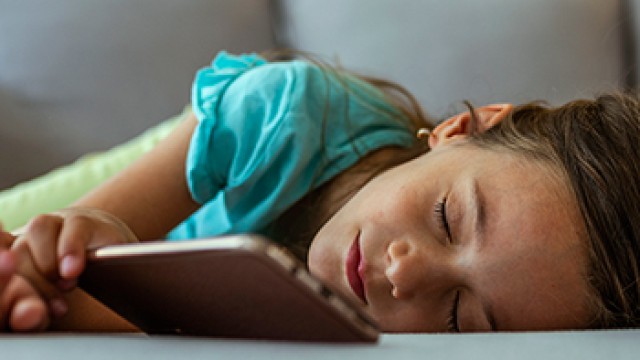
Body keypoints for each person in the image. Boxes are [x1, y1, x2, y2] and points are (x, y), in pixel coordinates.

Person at [0, 51, 638, 333]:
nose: (405, 273)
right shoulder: (285, 113)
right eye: (446, 218)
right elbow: (77, 246)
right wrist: (67, 251)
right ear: (457, 130)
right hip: (169, 169)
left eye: (459, 316)